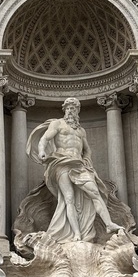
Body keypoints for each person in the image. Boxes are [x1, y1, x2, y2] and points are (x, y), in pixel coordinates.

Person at [30, 97, 123, 243]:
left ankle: (109, 224)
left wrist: (87, 161)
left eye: (73, 108)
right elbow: (44, 139)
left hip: (79, 165)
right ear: (64, 110)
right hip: (61, 162)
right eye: (67, 108)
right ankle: (76, 234)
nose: (70, 111)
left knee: (95, 192)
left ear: (77, 111)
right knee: (69, 198)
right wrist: (42, 151)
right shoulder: (57, 124)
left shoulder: (81, 131)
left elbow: (87, 150)